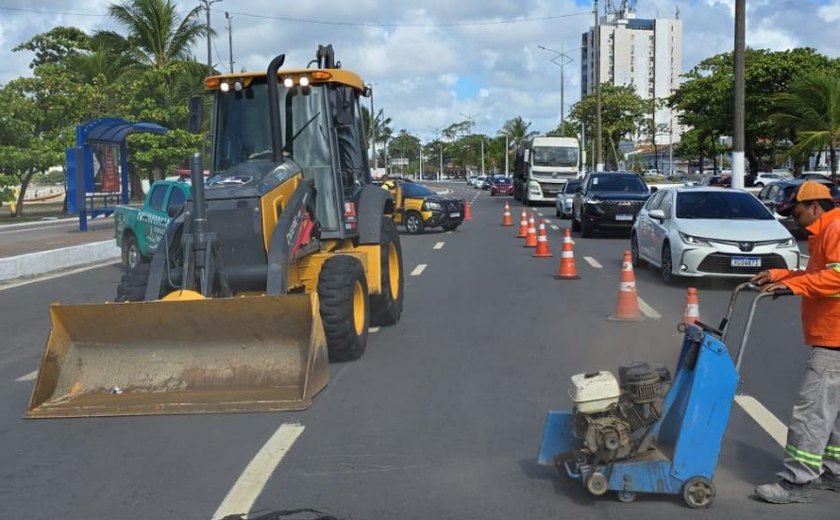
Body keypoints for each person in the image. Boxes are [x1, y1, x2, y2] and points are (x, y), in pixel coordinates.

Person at [752, 180, 840, 504]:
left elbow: (836, 278)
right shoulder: (826, 232)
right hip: (834, 336)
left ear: (815, 206)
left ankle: (797, 481)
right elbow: (817, 274)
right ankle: (834, 471)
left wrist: (795, 288)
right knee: (833, 413)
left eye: (798, 211)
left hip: (834, 337)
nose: (794, 217)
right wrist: (780, 277)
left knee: (813, 412)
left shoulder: (836, 230)